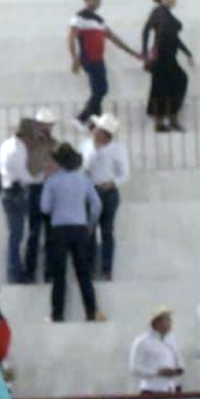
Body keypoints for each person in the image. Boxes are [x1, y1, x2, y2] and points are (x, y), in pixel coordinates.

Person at [40, 143, 102, 322]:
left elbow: (44, 207)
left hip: (59, 230)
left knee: (59, 274)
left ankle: (57, 313)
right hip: (80, 228)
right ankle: (91, 311)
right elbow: (97, 205)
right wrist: (89, 225)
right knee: (83, 273)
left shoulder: (52, 181)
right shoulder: (83, 179)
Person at [68, 0, 142, 130]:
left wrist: (133, 53)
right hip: (88, 58)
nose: (98, 1)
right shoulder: (79, 17)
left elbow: (113, 38)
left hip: (99, 59)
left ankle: (94, 123)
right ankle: (82, 118)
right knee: (100, 90)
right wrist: (74, 57)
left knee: (100, 90)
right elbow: (71, 38)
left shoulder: (100, 20)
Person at [79, 112, 130, 280]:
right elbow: (84, 168)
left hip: (108, 191)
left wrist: (112, 183)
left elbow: (125, 174)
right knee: (90, 231)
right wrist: (95, 149)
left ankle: (106, 269)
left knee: (107, 231)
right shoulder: (86, 146)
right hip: (91, 191)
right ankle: (90, 268)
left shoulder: (117, 149)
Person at [142, 0, 194, 132]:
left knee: (173, 85)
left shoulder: (163, 13)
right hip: (162, 57)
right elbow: (146, 30)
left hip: (168, 56)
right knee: (163, 88)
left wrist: (188, 53)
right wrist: (146, 52)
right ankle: (163, 121)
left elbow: (174, 38)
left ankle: (170, 119)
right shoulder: (159, 12)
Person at [0, 120, 40, 283]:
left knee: (15, 235)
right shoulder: (18, 150)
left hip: (8, 191)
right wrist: (41, 178)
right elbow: (23, 176)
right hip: (16, 192)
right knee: (17, 235)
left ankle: (14, 272)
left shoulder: (6, 145)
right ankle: (15, 273)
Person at [23, 109, 59, 284]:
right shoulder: (29, 145)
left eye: (48, 125)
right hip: (35, 189)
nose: (46, 128)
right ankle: (30, 273)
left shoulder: (55, 145)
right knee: (34, 233)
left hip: (50, 190)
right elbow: (28, 168)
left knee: (51, 235)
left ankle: (49, 273)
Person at [129, 307, 184, 394]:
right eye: (166, 320)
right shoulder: (142, 342)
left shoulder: (172, 340)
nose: (170, 323)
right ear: (156, 323)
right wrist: (157, 372)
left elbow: (179, 360)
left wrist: (178, 369)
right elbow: (135, 367)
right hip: (152, 389)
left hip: (171, 388)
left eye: (169, 320)